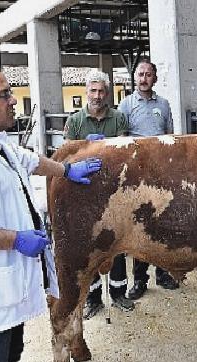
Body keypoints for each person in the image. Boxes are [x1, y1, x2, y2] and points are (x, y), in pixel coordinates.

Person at [0, 64, 102, 362]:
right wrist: (16, 239)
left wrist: (67, 170)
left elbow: (28, 160)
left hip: (7, 284)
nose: (14, 100)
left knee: (9, 361)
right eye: (4, 94)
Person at [64, 69, 135, 319]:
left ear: (107, 93)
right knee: (90, 244)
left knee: (117, 241)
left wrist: (109, 147)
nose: (97, 95)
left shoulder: (118, 119)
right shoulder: (74, 122)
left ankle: (118, 294)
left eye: (101, 91)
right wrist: (84, 146)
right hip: (84, 190)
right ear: (86, 92)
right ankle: (93, 298)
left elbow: (126, 152)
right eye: (92, 90)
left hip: (113, 190)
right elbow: (65, 155)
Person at [118, 60, 179, 300]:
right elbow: (122, 140)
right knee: (140, 226)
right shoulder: (126, 105)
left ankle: (163, 274)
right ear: (135, 78)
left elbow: (170, 136)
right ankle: (140, 280)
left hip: (162, 173)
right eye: (140, 74)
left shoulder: (163, 105)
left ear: (154, 78)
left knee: (163, 224)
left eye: (148, 74)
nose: (144, 78)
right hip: (138, 175)